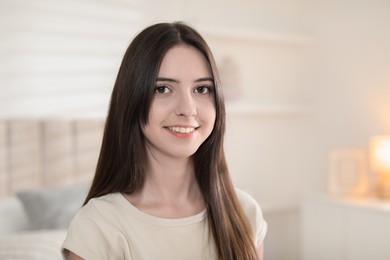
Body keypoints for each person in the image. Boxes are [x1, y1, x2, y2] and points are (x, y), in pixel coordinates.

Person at [62, 21, 267, 260]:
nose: (187, 109)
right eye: (163, 89)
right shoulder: (98, 228)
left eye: (201, 89)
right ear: (132, 99)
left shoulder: (245, 213)